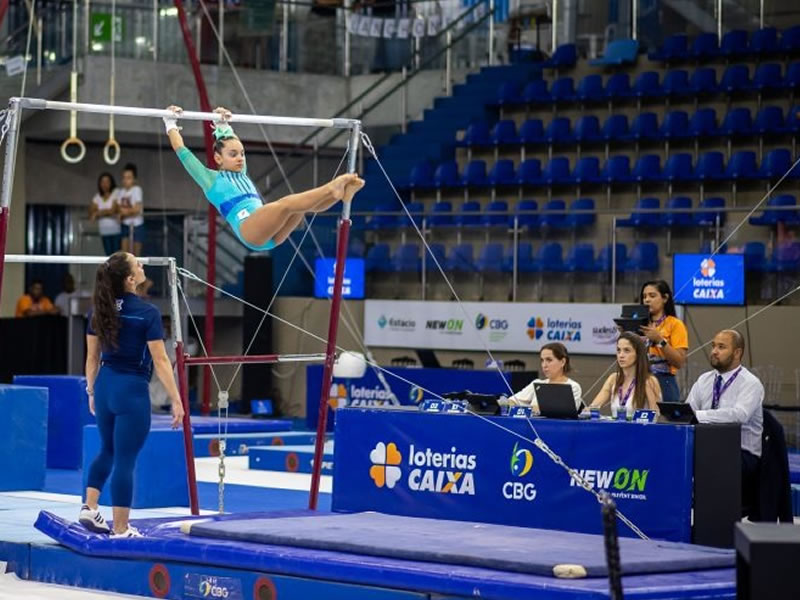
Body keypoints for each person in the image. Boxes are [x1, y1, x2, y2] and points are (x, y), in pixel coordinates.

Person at [80, 252, 184, 538]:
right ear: (130, 279)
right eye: (138, 264)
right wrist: (176, 399)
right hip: (131, 392)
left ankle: (89, 507)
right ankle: (121, 528)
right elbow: (161, 361)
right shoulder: (147, 313)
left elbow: (91, 358)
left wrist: (91, 391)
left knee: (107, 449)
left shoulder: (97, 310)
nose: (142, 266)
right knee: (125, 460)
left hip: (104, 386)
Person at [163, 106, 365, 251]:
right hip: (250, 230)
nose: (240, 158)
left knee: (301, 207)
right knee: (286, 203)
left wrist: (221, 122)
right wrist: (170, 122)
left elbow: (229, 141)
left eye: (242, 154)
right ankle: (332, 189)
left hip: (268, 229)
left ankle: (340, 195)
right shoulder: (210, 179)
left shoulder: (241, 171)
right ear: (217, 158)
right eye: (233, 155)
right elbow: (182, 151)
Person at [686, 329, 763, 515]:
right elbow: (688, 411)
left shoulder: (750, 383)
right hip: (707, 447)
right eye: (713, 346)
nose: (714, 351)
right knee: (676, 458)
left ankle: (714, 521)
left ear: (737, 352)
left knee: (712, 464)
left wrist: (701, 416)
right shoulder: (704, 380)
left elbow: (739, 415)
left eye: (721, 347)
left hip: (741, 453)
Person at [588, 332, 661, 418]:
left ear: (638, 354)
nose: (621, 355)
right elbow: (593, 407)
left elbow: (656, 415)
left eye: (627, 350)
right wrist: (586, 410)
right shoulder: (613, 379)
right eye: (618, 350)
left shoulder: (649, 380)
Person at [639, 280, 688, 403]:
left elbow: (679, 362)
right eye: (644, 296)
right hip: (638, 381)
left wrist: (660, 340)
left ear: (665, 298)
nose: (647, 300)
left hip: (664, 381)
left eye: (652, 295)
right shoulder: (638, 325)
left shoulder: (675, 324)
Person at [508, 342, 582, 411]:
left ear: (562, 362)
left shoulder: (573, 387)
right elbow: (512, 401)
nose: (544, 365)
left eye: (549, 360)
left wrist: (533, 409)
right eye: (542, 360)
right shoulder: (537, 384)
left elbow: (565, 411)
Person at [89, 172, 121, 256]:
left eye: (107, 181)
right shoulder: (97, 196)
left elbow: (112, 210)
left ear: (111, 183)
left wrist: (98, 213)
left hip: (116, 231)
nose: (104, 184)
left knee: (117, 257)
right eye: (102, 182)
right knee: (108, 256)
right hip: (104, 231)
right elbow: (91, 212)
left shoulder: (116, 192)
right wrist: (100, 212)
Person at [117, 163, 144, 256]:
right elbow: (119, 209)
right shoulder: (121, 192)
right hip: (125, 225)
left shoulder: (137, 189)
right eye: (124, 177)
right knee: (125, 255)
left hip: (137, 225)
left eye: (129, 177)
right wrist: (128, 212)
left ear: (134, 179)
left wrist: (124, 213)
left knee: (136, 255)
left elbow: (137, 209)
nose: (125, 180)